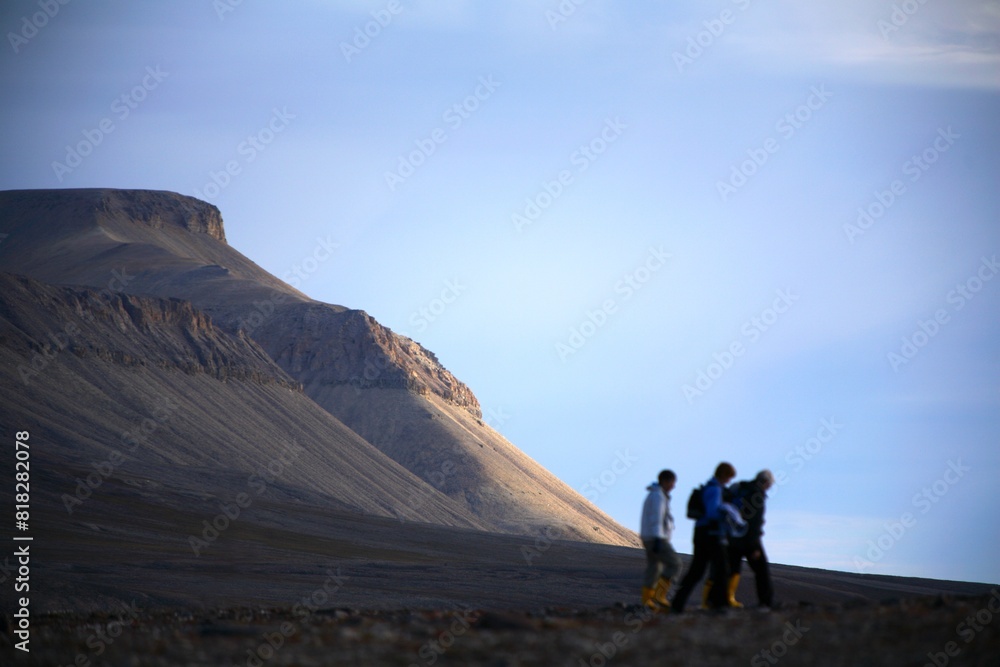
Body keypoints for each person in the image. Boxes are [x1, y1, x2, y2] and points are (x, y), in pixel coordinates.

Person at [670, 462, 745, 613]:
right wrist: (727, 513)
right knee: (722, 569)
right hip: (712, 535)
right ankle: (719, 604)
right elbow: (712, 513)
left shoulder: (709, 488)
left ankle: (677, 604)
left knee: (697, 571)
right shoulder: (715, 490)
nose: (729, 481)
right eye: (729, 477)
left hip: (702, 533)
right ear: (723, 475)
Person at [725, 469, 776, 608]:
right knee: (761, 570)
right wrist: (754, 546)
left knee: (733, 569)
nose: (769, 487)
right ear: (766, 482)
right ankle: (766, 602)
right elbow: (754, 523)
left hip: (732, 536)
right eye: (770, 484)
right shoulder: (757, 495)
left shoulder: (741, 488)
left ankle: (722, 600)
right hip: (748, 539)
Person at [639, 469, 682, 610]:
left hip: (649, 536)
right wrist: (658, 538)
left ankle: (647, 601)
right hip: (656, 537)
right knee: (675, 564)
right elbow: (656, 518)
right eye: (672, 482)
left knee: (655, 567)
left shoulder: (656, 495)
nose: (673, 486)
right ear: (665, 481)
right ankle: (659, 595)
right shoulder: (658, 496)